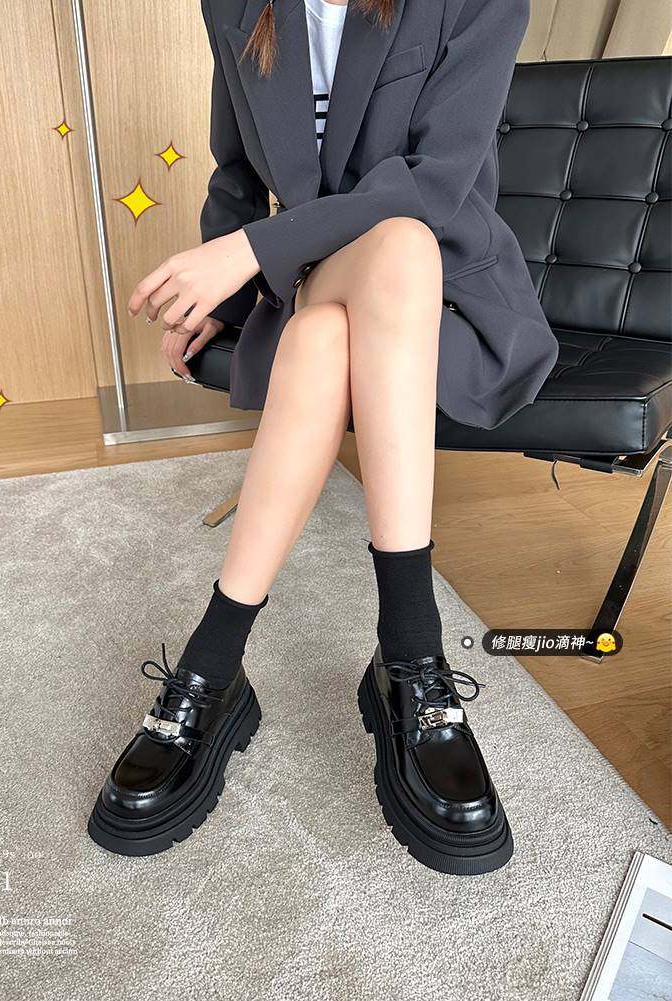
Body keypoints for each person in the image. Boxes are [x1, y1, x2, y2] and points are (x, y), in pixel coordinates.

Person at [87, 0, 558, 874]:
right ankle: (410, 668)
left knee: (363, 289)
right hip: (311, 275)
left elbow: (434, 183)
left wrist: (244, 254)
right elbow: (235, 174)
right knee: (325, 314)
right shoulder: (237, 4)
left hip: (449, 298)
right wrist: (224, 299)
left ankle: (215, 664)